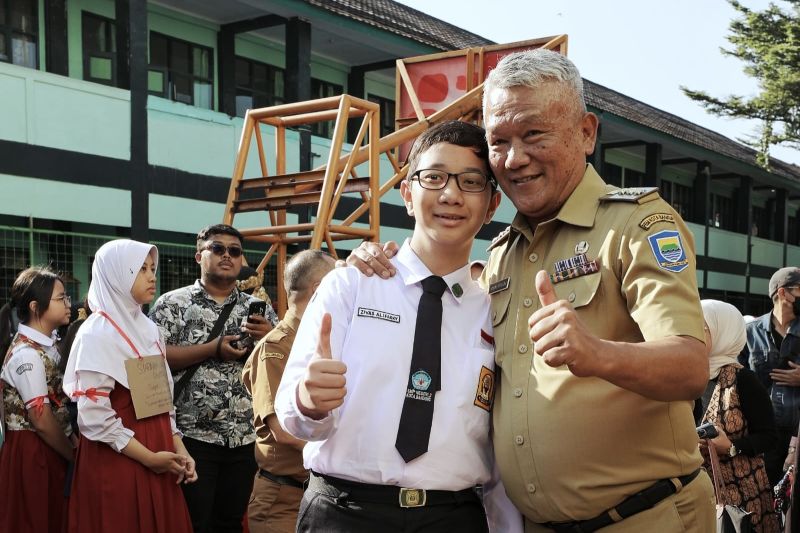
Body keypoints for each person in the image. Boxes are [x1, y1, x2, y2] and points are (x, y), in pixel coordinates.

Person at [349, 49, 715, 531]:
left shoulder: (637, 226)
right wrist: (381, 266)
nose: (514, 158)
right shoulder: (502, 253)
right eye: (498, 141)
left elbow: (690, 366)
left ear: (586, 133)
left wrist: (598, 353)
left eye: (534, 134)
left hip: (645, 518)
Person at [275, 120, 521, 532]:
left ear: (492, 206)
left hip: (452, 517)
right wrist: (308, 400)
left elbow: (498, 448)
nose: (450, 195)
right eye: (434, 177)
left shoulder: (494, 312)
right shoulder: (352, 285)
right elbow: (294, 418)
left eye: (471, 182)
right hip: (344, 513)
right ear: (408, 194)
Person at [149, 223, 278, 533]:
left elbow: (279, 364)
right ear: (199, 257)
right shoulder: (172, 304)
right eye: (217, 249)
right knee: (193, 522)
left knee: (231, 523)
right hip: (193, 436)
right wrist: (213, 349)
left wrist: (268, 339)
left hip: (245, 436)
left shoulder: (256, 308)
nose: (227, 256)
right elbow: (153, 361)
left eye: (234, 251)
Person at [63, 239, 196, 532]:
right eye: (140, 269)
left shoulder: (149, 329)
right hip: (119, 461)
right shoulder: (97, 333)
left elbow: (161, 399)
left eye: (152, 268)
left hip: (159, 452)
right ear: (116, 275)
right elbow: (94, 416)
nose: (152, 276)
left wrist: (180, 448)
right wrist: (150, 458)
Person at [242, 249, 335, 532]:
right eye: (338, 283)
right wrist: (341, 458)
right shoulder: (276, 348)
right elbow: (282, 430)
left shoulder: (318, 340)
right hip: (283, 499)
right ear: (320, 289)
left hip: (317, 493)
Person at [0, 267, 74, 532]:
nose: (68, 304)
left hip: (48, 445)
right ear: (35, 306)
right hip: (33, 451)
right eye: (61, 298)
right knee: (36, 519)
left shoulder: (46, 346)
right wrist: (73, 455)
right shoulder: (26, 355)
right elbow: (41, 419)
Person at [697, 299, 779, 533]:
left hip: (741, 498)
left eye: (701, 328)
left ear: (722, 331)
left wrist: (732, 446)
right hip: (698, 492)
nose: (692, 335)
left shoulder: (743, 380)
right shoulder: (689, 377)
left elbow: (769, 436)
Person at [739, 266, 800, 486]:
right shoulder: (749, 332)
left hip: (797, 437)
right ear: (783, 293)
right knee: (764, 496)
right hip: (763, 436)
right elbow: (736, 380)